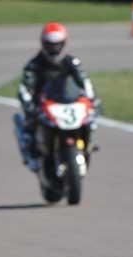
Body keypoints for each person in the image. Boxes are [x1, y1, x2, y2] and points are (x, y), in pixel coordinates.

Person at [17, 22, 97, 171]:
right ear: (43, 44)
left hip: (66, 101)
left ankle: (88, 144)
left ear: (63, 43)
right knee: (31, 124)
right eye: (50, 45)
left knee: (90, 118)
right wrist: (29, 104)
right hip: (42, 103)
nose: (54, 49)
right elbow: (24, 88)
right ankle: (32, 155)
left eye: (57, 45)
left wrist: (92, 99)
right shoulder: (34, 65)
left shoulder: (71, 62)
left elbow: (84, 82)